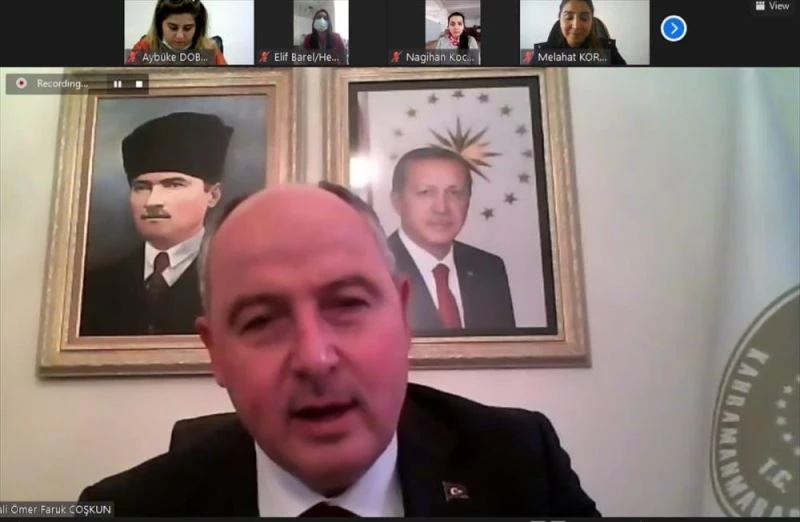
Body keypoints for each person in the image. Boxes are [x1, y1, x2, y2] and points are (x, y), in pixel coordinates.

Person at [78, 183, 599, 517]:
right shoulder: (125, 508)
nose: (315, 358)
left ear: (402, 317)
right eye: (261, 321)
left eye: (348, 304)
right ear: (215, 352)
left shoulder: (523, 467)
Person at [79, 112, 233, 337]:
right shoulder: (93, 286)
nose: (152, 202)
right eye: (141, 187)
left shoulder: (235, 279)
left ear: (213, 195)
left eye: (173, 185)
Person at [388, 147, 515, 334]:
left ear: (468, 200)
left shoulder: (489, 268)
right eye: (425, 192)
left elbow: (505, 349)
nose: (441, 208)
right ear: (397, 201)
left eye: (455, 193)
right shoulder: (374, 269)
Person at [127, 0, 227, 65]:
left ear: (198, 27)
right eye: (173, 27)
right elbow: (126, 80)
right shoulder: (144, 47)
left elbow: (228, 82)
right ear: (159, 24)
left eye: (187, 28)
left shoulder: (210, 48)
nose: (180, 36)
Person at [533, 0, 626, 65]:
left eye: (584, 18)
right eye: (569, 17)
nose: (576, 25)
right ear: (560, 19)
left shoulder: (608, 50)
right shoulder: (543, 53)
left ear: (591, 21)